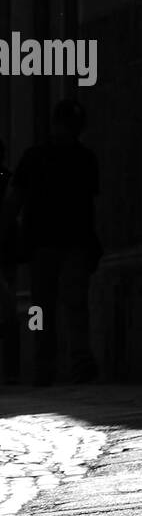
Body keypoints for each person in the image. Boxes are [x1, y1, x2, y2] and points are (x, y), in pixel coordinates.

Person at [4, 100, 100, 386]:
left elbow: (13, 201)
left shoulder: (37, 157)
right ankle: (64, 363)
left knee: (51, 306)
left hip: (58, 244)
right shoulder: (81, 159)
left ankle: (56, 364)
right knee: (62, 306)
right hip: (59, 244)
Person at [0, 140, 21, 385]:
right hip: (7, 251)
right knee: (10, 310)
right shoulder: (8, 178)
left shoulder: (8, 179)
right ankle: (12, 370)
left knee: (10, 311)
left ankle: (12, 370)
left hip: (5, 251)